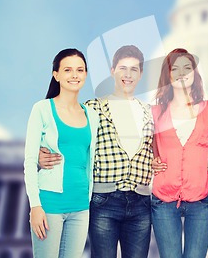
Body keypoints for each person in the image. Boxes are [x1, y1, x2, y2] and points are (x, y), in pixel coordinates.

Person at [39, 45, 154, 258]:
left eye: (134, 69)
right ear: (112, 71)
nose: (127, 75)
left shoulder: (150, 112)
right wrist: (40, 153)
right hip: (104, 201)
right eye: (122, 68)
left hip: (141, 203)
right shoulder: (92, 108)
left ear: (141, 74)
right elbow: (70, 139)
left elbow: (160, 149)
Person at [24, 48, 100, 258]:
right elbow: (30, 161)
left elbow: (88, 158)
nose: (74, 75)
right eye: (68, 70)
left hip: (81, 205)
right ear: (56, 74)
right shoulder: (42, 109)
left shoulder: (92, 115)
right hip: (49, 204)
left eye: (80, 70)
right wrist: (35, 206)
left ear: (85, 74)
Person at [150, 48, 208, 258]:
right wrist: (151, 161)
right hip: (163, 200)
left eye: (187, 68)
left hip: (201, 199)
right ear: (167, 75)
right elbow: (146, 147)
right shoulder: (154, 112)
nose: (181, 73)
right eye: (175, 68)